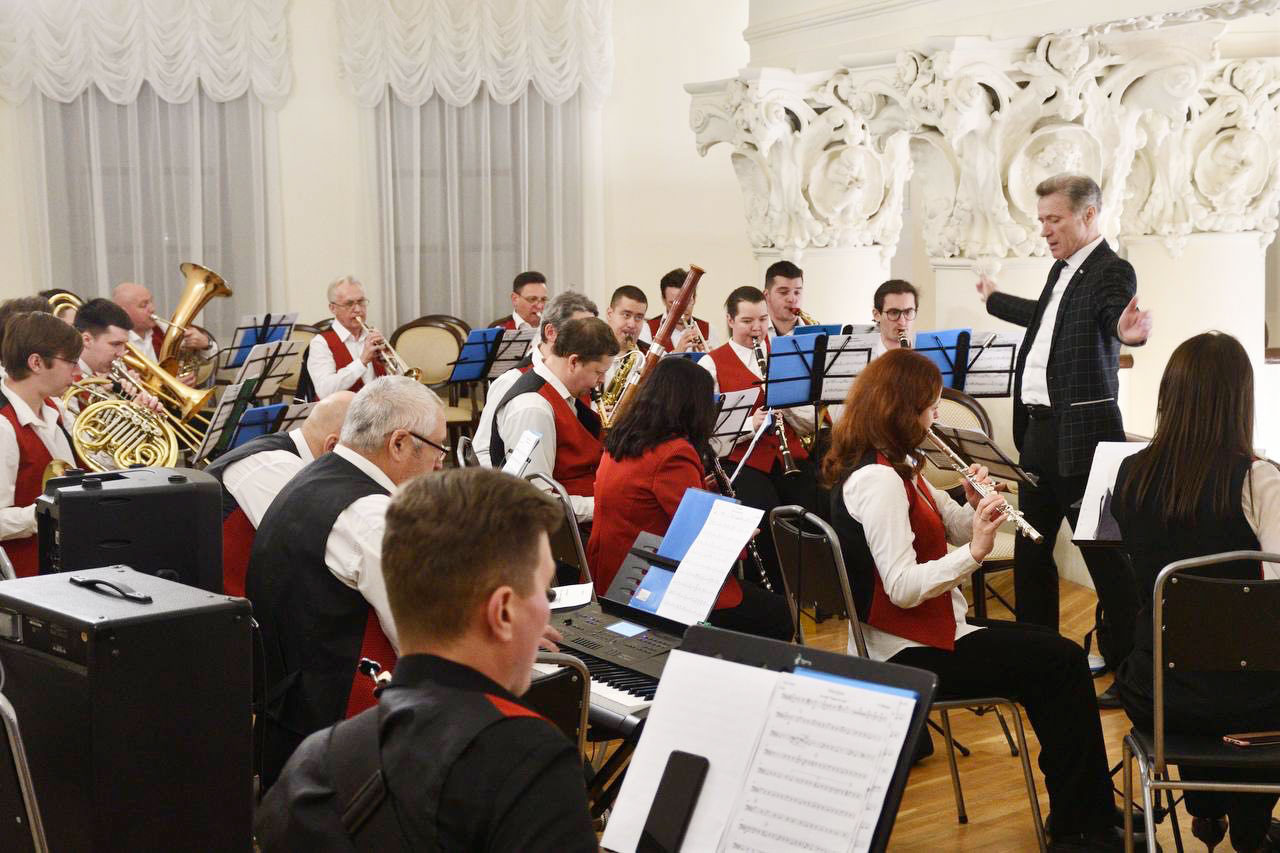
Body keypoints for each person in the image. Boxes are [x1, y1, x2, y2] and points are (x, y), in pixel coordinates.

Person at [825, 348, 1128, 851]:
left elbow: (953, 524)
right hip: (903, 650)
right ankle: (1081, 824)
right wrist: (975, 553)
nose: (936, 415)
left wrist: (976, 509)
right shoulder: (878, 481)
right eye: (929, 406)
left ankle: (1084, 808)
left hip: (928, 630)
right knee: (1060, 663)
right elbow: (901, 586)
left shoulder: (899, 464)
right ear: (900, 409)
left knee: (1057, 655)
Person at [255, 468, 596, 851]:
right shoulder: (530, 762)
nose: (546, 612)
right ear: (501, 611)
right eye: (544, 592)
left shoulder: (315, 761)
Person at [977, 173, 1152, 704]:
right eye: (1042, 221)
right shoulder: (1062, 269)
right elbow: (1046, 319)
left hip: (1084, 442)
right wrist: (995, 300)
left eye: (1054, 220)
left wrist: (1126, 333)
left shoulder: (1111, 271)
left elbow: (1110, 318)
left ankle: (1131, 677)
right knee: (1032, 556)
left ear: (1088, 216)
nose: (1045, 230)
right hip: (1039, 439)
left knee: (1106, 563)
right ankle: (1040, 666)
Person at [1112, 332, 1280, 853]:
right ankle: (1251, 827)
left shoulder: (1130, 473)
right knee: (1250, 674)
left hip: (1159, 694)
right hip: (1255, 698)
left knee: (1194, 660)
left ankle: (1206, 811)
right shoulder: (1258, 480)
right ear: (1239, 400)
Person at [246, 376, 448, 787]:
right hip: (346, 735)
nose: (441, 463)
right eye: (438, 448)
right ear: (399, 443)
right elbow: (426, 643)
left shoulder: (314, 476)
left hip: (288, 719)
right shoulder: (370, 514)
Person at [588, 357, 793, 640]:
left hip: (611, 572)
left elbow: (658, 499)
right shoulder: (674, 451)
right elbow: (699, 536)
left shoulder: (621, 439)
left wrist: (701, 489)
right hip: (649, 583)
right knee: (778, 615)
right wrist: (740, 533)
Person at [701, 286, 823, 590]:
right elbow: (707, 433)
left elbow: (810, 424)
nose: (757, 328)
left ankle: (816, 591)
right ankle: (776, 596)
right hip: (743, 462)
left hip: (788, 455)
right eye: (747, 321)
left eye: (762, 320)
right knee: (766, 520)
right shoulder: (711, 364)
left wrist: (788, 404)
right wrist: (749, 425)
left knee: (816, 510)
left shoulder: (786, 353)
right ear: (730, 320)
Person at [204, 391, 355, 597]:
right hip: (215, 609)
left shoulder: (294, 460)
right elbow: (315, 562)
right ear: (332, 446)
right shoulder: (278, 467)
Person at [491, 317, 618, 522]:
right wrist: (606, 506)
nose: (601, 381)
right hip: (565, 535)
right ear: (573, 361)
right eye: (599, 372)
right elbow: (537, 502)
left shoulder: (560, 393)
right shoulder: (533, 408)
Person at [473, 291, 597, 466]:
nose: (591, 344)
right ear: (551, 332)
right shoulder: (512, 382)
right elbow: (483, 451)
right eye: (581, 334)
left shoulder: (579, 375)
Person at [0, 312, 82, 577]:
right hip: (27, 578)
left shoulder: (54, 408)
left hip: (63, 561)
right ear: (36, 362)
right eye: (71, 361)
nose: (77, 372)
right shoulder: (4, 426)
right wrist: (48, 513)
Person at [304, 276, 387, 400]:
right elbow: (324, 391)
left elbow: (399, 382)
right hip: (341, 415)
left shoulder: (372, 336)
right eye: (349, 304)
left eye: (361, 302)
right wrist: (362, 361)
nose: (358, 309)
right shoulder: (320, 343)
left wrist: (388, 364)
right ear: (333, 308)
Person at [112, 280, 213, 365]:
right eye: (143, 305)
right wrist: (171, 383)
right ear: (124, 312)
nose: (152, 308)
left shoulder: (162, 328)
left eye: (151, 301)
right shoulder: (114, 342)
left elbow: (212, 359)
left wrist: (205, 344)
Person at [639, 268, 714, 352]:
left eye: (687, 302)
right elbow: (644, 364)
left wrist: (709, 358)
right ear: (664, 300)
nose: (681, 309)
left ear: (695, 298)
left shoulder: (709, 329)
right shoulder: (646, 329)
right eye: (673, 303)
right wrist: (677, 352)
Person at [872, 279, 919, 355]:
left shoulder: (930, 350)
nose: (902, 322)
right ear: (877, 315)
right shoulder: (862, 357)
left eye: (908, 312)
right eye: (894, 312)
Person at [763, 259, 808, 337]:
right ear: (766, 296)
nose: (792, 299)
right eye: (783, 292)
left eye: (797, 292)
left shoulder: (816, 331)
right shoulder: (753, 332)